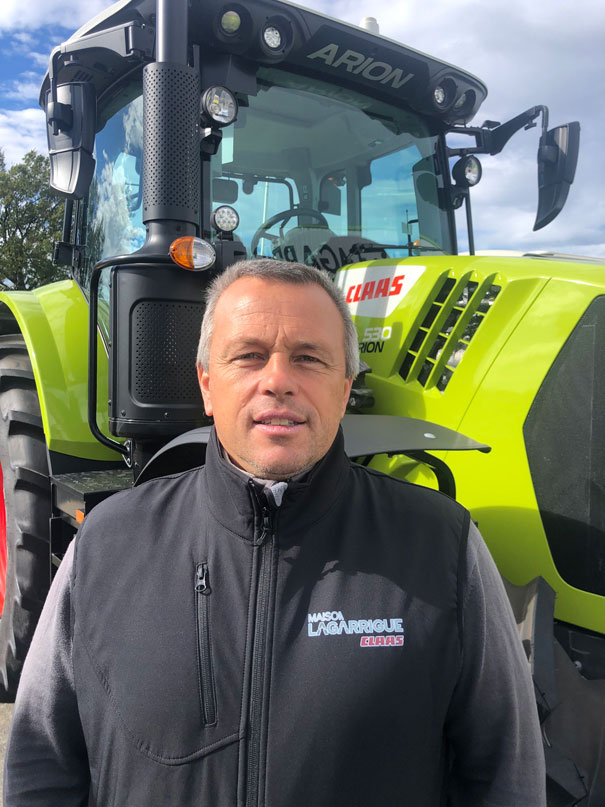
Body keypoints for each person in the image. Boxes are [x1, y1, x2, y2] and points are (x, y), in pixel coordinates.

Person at [4, 259, 545, 806]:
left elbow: (506, 773)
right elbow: (40, 765)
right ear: (207, 384)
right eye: (249, 356)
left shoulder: (441, 546)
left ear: (345, 388)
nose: (278, 380)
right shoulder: (105, 545)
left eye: (309, 358)